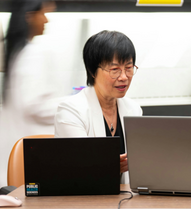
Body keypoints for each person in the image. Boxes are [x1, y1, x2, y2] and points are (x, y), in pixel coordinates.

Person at [54, 30, 142, 184]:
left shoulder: (134, 109)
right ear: (92, 71)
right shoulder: (71, 110)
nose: (124, 77)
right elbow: (78, 168)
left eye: (128, 68)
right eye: (114, 70)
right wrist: (110, 166)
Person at [0, 0, 59, 192]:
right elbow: (36, 106)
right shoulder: (32, 54)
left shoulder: (17, 52)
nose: (46, 20)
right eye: (43, 14)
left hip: (14, 154)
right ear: (30, 16)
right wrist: (72, 106)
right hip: (24, 157)